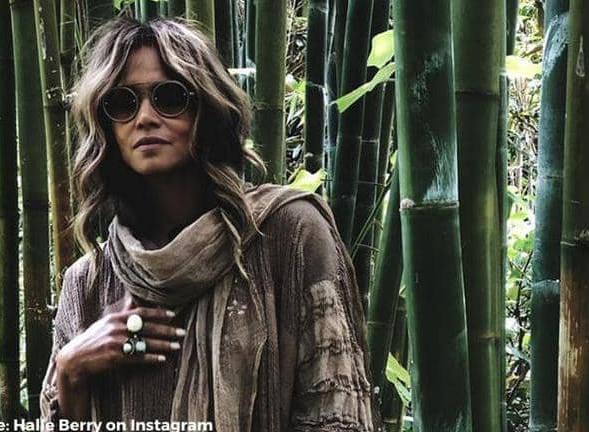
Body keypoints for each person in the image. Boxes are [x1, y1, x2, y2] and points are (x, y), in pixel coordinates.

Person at [38, 15, 380, 432]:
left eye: (169, 97)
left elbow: (339, 416)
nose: (144, 117)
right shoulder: (89, 282)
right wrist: (71, 371)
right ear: (106, 126)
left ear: (208, 109)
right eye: (123, 103)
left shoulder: (288, 234)